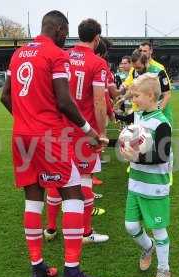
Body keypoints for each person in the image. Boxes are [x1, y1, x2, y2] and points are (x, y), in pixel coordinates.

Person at [0, 10, 105, 277]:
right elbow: (64, 102)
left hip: (21, 137)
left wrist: (25, 120)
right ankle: (72, 272)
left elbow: (4, 96)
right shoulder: (56, 54)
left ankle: (38, 268)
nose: (65, 37)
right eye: (64, 31)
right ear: (58, 28)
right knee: (73, 192)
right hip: (48, 137)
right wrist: (90, 132)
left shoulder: (18, 53)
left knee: (33, 199)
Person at [44, 18, 109, 245]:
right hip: (84, 132)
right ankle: (85, 233)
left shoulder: (61, 55)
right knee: (85, 181)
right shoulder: (98, 63)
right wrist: (100, 133)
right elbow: (100, 102)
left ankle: (51, 229)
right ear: (97, 38)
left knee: (56, 180)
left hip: (59, 130)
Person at [119, 73, 172, 277]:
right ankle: (147, 247)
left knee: (159, 230)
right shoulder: (139, 117)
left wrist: (137, 157)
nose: (134, 99)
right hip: (135, 184)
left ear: (150, 95)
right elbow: (126, 126)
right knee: (131, 226)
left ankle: (163, 270)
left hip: (155, 187)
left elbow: (162, 155)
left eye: (137, 95)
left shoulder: (162, 123)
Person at [122, 42, 173, 124]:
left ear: (145, 62)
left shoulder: (159, 71)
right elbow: (132, 90)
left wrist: (158, 110)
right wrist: (123, 98)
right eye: (135, 68)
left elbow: (167, 94)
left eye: (138, 67)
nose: (137, 70)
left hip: (159, 115)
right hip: (143, 114)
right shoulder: (134, 71)